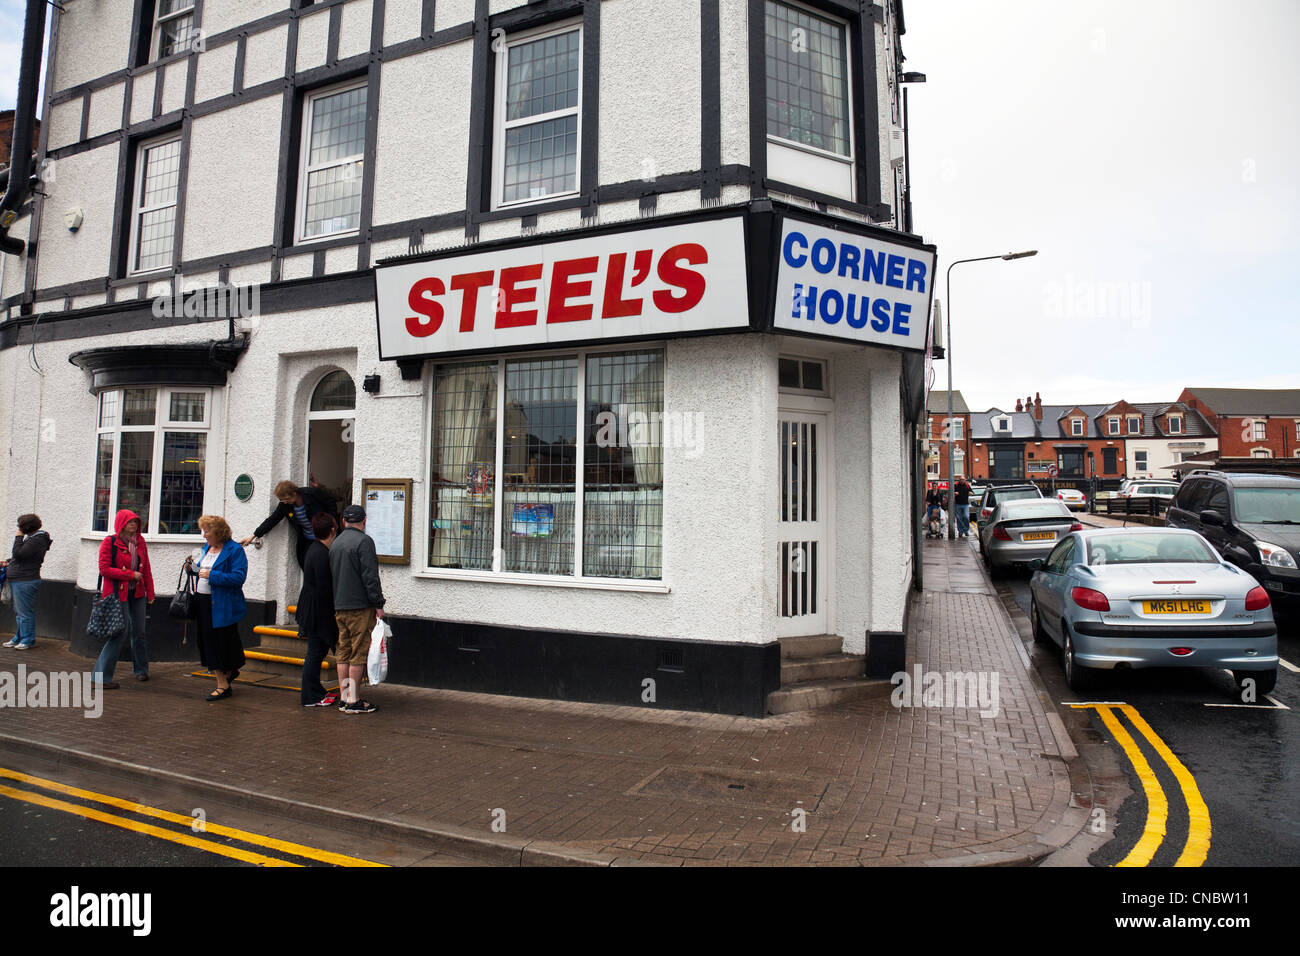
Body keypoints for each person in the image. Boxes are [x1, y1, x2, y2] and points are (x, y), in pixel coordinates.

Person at [329, 504, 385, 715]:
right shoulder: (364, 542)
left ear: (344, 521)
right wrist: (378, 604)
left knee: (343, 651)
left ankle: (344, 697)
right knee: (359, 653)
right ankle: (353, 700)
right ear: (364, 521)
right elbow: (370, 577)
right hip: (360, 606)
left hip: (340, 606)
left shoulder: (336, 543)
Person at [93, 510, 155, 688]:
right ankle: (101, 678)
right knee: (119, 633)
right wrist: (129, 575)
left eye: (136, 522)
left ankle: (141, 670)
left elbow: (146, 569)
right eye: (130, 522)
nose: (133, 525)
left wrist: (150, 592)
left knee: (140, 632)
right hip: (116, 593)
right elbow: (104, 569)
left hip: (137, 593)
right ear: (121, 524)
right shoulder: (110, 542)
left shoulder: (140, 542)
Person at [192, 514, 248, 702]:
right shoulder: (207, 547)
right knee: (208, 642)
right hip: (203, 601)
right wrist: (192, 568)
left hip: (222, 604)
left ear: (218, 532)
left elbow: (238, 577)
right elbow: (200, 570)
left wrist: (212, 575)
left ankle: (223, 684)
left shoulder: (235, 550)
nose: (204, 535)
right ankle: (225, 678)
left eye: (207, 531)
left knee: (222, 643)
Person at [241, 480, 339, 569]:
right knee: (309, 568)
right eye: (282, 500)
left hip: (325, 537)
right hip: (308, 541)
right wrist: (253, 536)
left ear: (294, 493)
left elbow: (331, 503)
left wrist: (331, 522)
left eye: (286, 499)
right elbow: (272, 520)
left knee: (329, 566)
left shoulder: (311, 493)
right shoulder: (285, 506)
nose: (284, 502)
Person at [298, 512, 339, 708]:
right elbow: (324, 589)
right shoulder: (322, 554)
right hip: (317, 612)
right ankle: (310, 696)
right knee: (315, 654)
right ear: (332, 530)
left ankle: (315, 691)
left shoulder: (314, 549)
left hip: (311, 608)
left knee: (316, 653)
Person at [2, 514, 52, 649]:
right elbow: (24, 557)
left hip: (25, 580)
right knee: (19, 612)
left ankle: (27, 640)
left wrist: (18, 537)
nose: (18, 528)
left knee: (24, 612)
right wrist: (8, 562)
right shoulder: (33, 539)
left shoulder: (37, 540)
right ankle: (19, 637)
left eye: (20, 526)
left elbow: (19, 554)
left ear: (26, 528)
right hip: (20, 579)